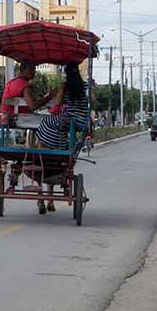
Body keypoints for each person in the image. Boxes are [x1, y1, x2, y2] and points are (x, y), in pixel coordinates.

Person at [35, 63, 91, 213]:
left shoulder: (65, 86)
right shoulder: (85, 87)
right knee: (60, 130)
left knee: (45, 122)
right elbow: (91, 101)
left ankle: (41, 143)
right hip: (81, 121)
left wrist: (54, 97)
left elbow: (58, 102)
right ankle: (50, 200)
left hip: (67, 119)